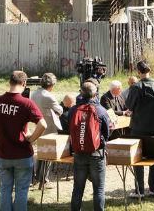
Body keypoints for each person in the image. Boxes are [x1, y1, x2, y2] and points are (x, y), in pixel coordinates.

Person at [0, 71, 46, 211]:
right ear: (24, 83)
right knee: (21, 190)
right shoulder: (26, 103)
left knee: (5, 189)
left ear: (10, 82)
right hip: (22, 154)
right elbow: (43, 124)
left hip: (3, 153)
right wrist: (31, 139)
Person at [125, 61, 154, 198]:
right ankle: (153, 189)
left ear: (138, 72)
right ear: (149, 70)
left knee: (137, 159)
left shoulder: (136, 87)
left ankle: (139, 190)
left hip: (138, 128)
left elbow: (129, 106)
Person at [69, 81, 111, 211]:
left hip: (79, 154)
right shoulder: (101, 110)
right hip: (97, 154)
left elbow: (68, 128)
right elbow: (107, 133)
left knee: (77, 189)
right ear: (95, 94)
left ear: (81, 93)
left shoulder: (73, 110)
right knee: (98, 189)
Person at [30, 73, 64, 183]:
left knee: (40, 152)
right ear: (51, 85)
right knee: (49, 153)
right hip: (49, 126)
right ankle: (43, 177)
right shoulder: (48, 96)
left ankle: (37, 176)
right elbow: (60, 110)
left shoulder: (34, 93)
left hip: (38, 124)